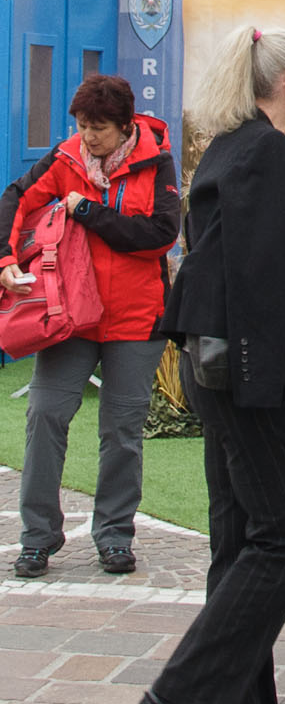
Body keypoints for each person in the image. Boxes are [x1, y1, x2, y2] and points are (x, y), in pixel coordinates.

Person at [138, 25, 285, 704]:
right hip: (253, 376)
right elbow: (255, 271)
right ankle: (187, 694)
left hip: (221, 367)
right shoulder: (259, 148)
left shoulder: (233, 144)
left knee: (241, 541)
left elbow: (229, 251)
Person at [0, 75, 180, 579]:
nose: (89, 137)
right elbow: (15, 200)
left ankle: (114, 536)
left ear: (125, 127)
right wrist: (5, 258)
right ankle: (37, 538)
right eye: (82, 126)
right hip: (70, 318)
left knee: (121, 432)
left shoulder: (158, 161)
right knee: (44, 417)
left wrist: (89, 212)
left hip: (136, 319)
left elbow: (159, 236)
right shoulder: (65, 158)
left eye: (99, 129)